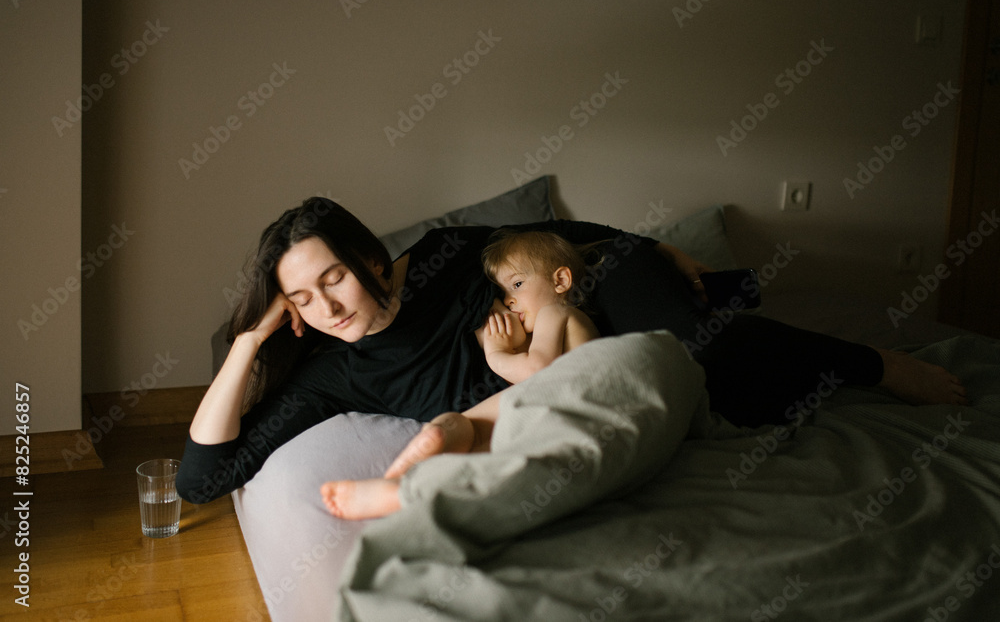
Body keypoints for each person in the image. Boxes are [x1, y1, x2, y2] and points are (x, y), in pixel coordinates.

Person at [176, 196, 966, 505]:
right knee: (705, 396)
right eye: (303, 298)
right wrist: (250, 340)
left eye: (336, 277)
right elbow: (203, 478)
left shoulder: (446, 255)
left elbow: (559, 243)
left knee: (699, 348)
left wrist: (653, 244)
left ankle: (882, 365)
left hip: (601, 296)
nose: (329, 305)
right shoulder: (330, 373)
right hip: (581, 374)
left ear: (372, 259)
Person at [318, 229, 601, 519]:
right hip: (548, 405)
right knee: (465, 427)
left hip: (568, 403)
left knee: (467, 428)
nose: (510, 301)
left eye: (517, 284)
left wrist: (498, 354)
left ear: (561, 281)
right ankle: (405, 479)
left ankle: (406, 483)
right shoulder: (552, 320)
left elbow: (537, 370)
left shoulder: (557, 313)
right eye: (504, 293)